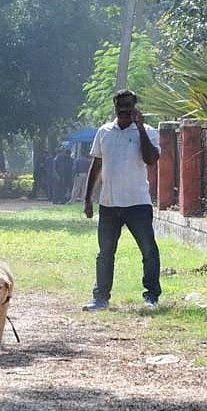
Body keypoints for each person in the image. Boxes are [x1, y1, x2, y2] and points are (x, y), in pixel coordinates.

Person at [82, 89, 162, 311]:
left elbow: (151, 159)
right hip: (109, 204)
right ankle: (100, 298)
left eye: (129, 105)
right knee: (105, 253)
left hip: (138, 203)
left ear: (135, 107)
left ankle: (151, 297)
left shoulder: (148, 131)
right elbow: (96, 165)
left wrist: (140, 128)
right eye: (121, 106)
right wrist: (88, 198)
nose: (125, 110)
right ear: (115, 107)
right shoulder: (104, 132)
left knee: (148, 250)